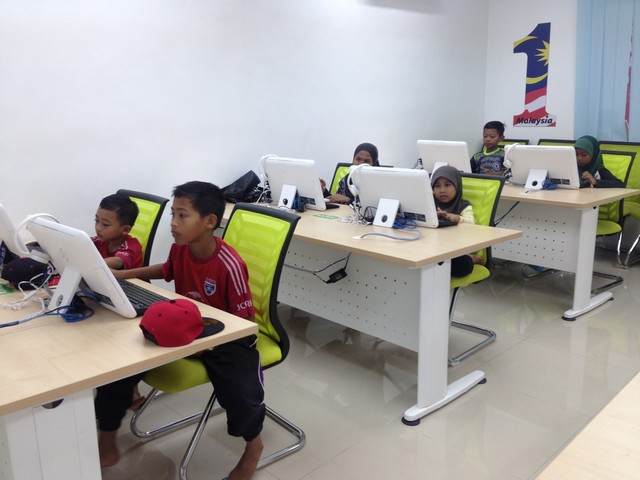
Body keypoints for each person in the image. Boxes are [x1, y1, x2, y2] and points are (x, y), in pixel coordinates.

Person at [96, 181, 264, 480]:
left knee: (240, 390)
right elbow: (167, 269)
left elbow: (245, 324)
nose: (173, 223)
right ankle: (107, 438)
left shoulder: (229, 265)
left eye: (182, 216)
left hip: (228, 337)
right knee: (121, 362)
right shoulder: (181, 249)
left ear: (209, 221)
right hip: (187, 324)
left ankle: (253, 446)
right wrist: (123, 275)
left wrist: (208, 344)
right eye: (172, 214)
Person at [431, 166, 485, 277]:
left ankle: (471, 259)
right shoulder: (430, 203)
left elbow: (471, 224)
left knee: (460, 267)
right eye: (437, 186)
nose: (442, 190)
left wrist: (458, 218)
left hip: (456, 248)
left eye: (447, 185)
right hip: (435, 245)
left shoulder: (463, 205)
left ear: (457, 186)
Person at [92, 193, 143, 270]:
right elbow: (84, 242)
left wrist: (91, 264)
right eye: (97, 220)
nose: (98, 228)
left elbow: (118, 261)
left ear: (125, 230)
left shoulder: (132, 246)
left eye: (105, 224)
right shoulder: (101, 240)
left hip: (124, 278)